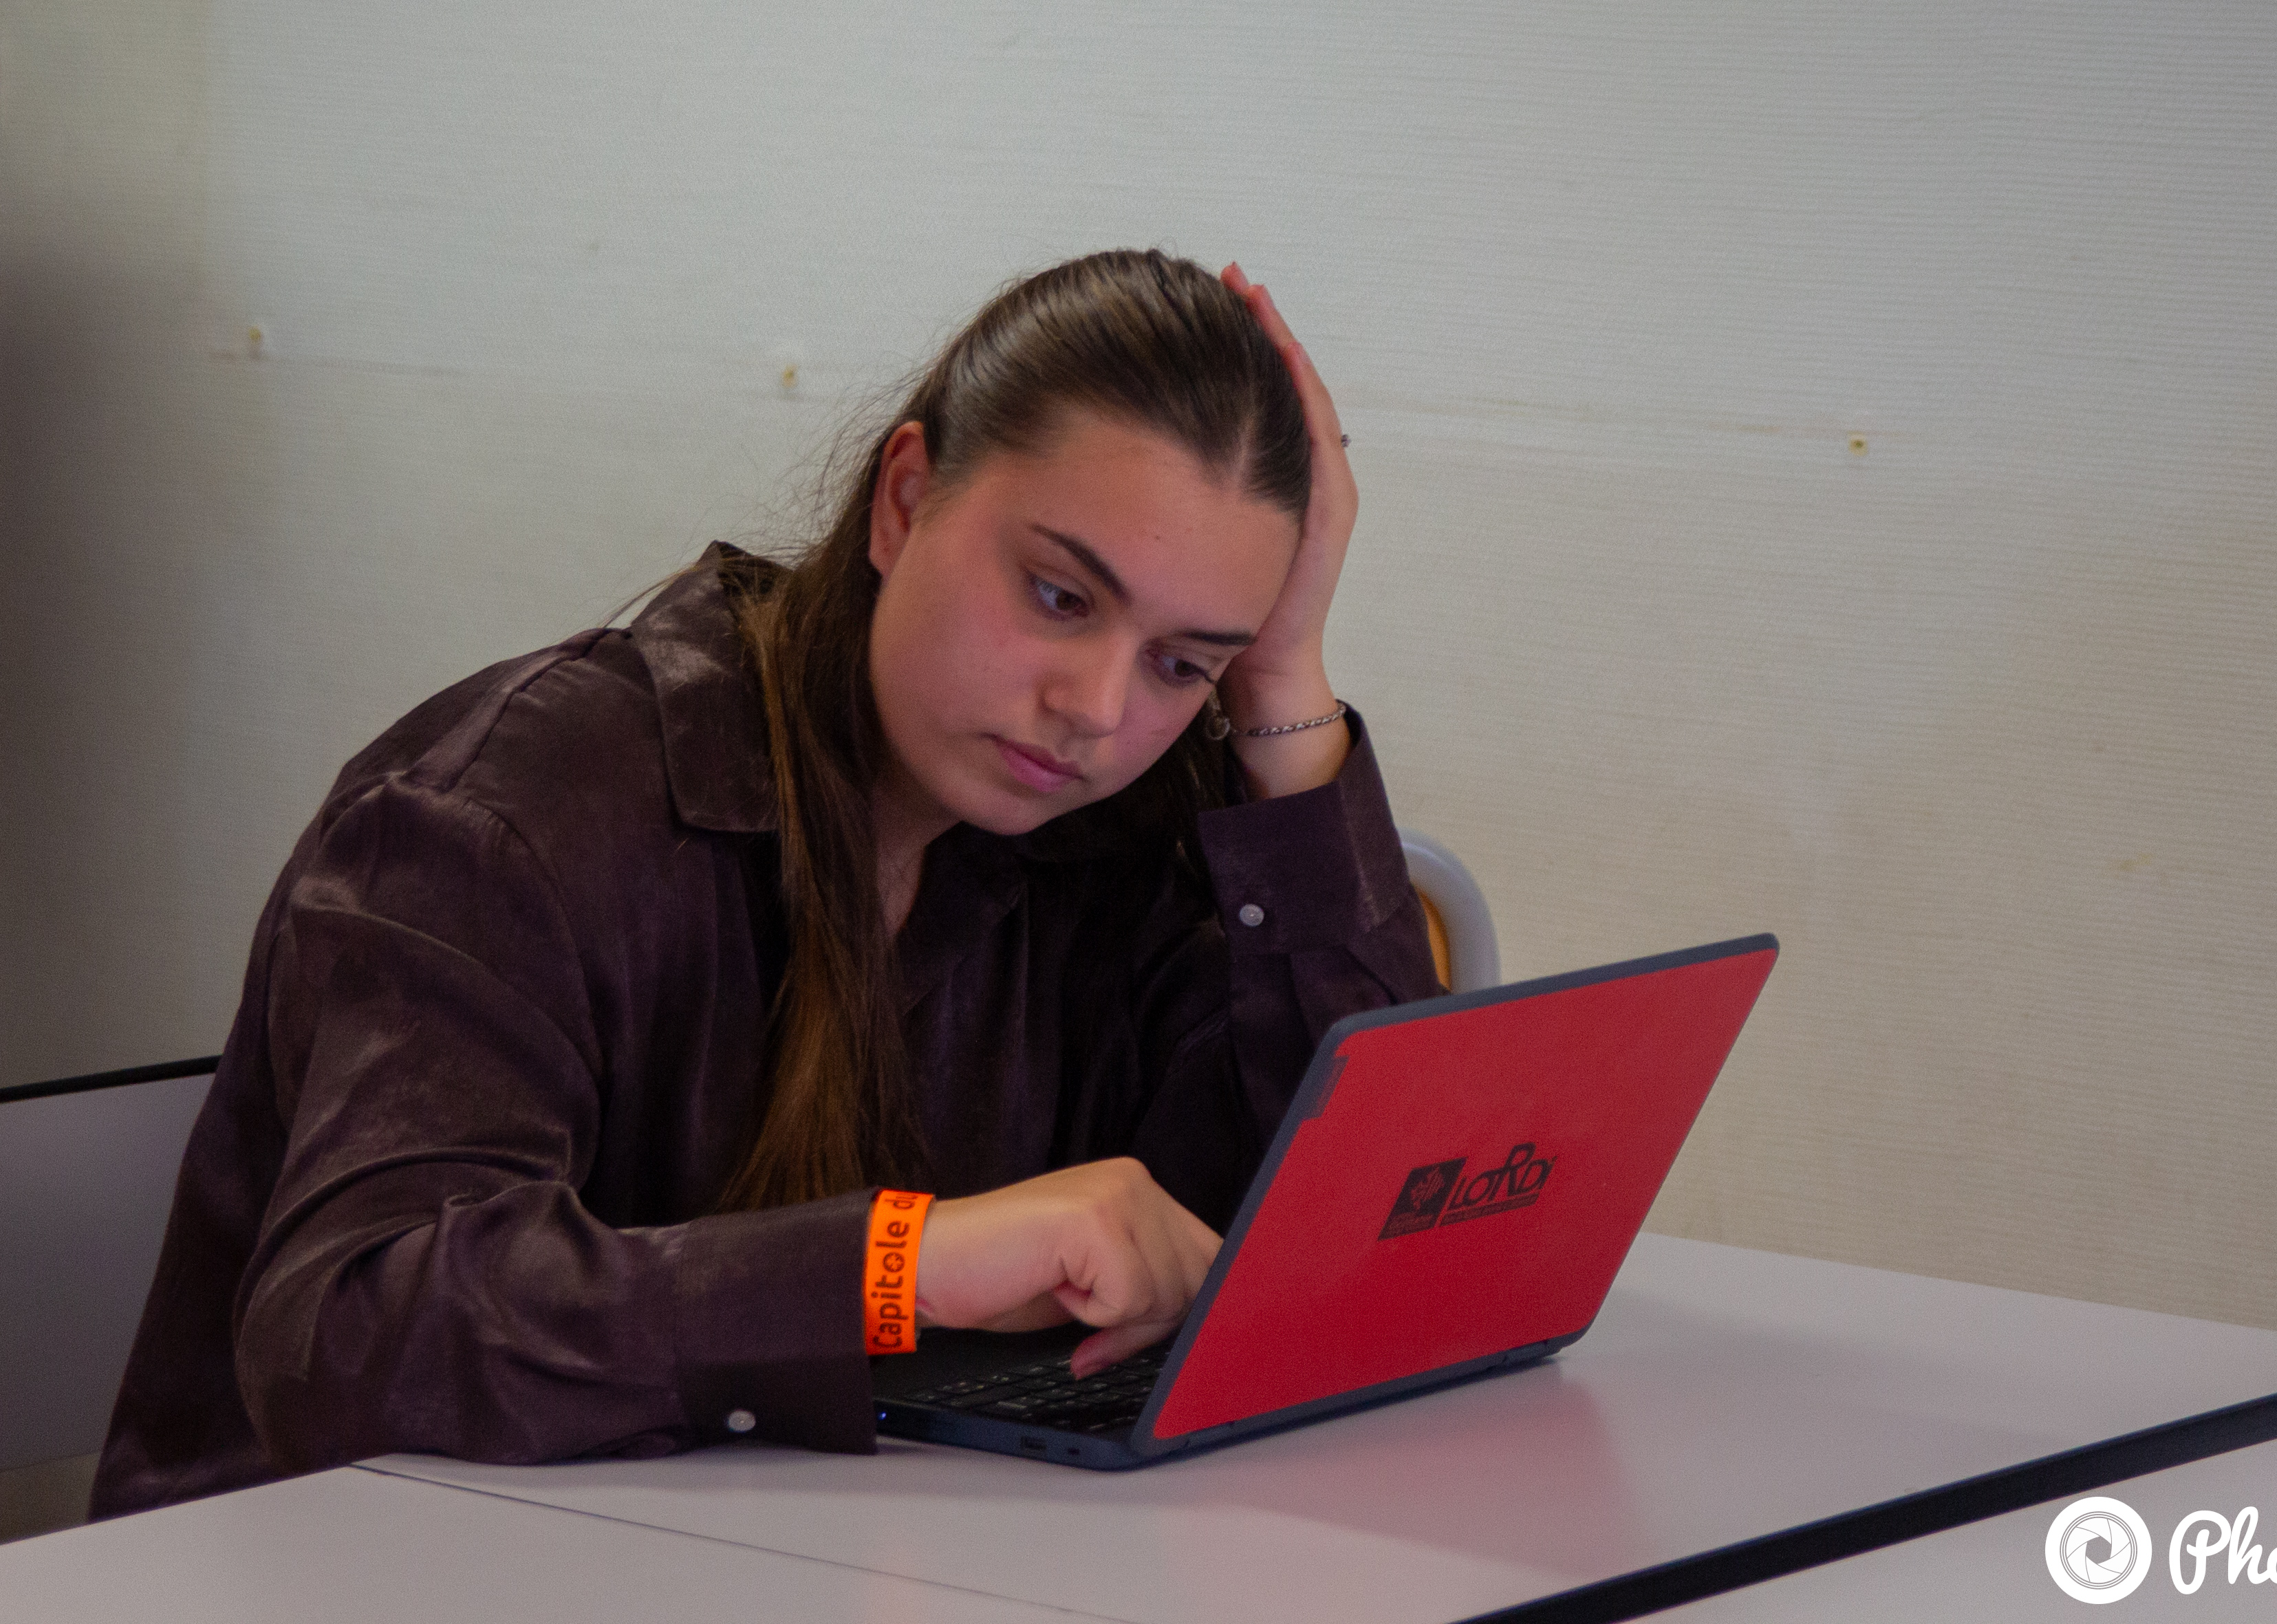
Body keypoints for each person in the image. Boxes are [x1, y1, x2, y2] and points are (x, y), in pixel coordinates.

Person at [90, 250, 1441, 1519]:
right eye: (1056, 595)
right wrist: (903, 1265)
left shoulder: (1106, 831)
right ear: (903, 499)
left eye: (1181, 662)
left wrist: (1282, 684)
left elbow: (1369, 1250)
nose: (1095, 707)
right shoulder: (512, 808)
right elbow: (350, 1329)